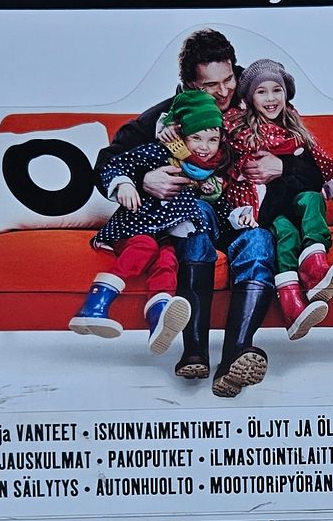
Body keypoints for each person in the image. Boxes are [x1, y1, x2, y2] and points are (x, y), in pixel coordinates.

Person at [93, 29, 278, 394]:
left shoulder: (260, 99)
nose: (224, 92)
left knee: (259, 241)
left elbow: (312, 158)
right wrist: (144, 180)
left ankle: (235, 357)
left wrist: (284, 166)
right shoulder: (165, 117)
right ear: (190, 85)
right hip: (195, 218)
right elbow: (108, 162)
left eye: (229, 79)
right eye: (211, 85)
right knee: (195, 218)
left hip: (244, 214)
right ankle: (194, 352)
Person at [68, 89, 227, 353]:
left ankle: (159, 318)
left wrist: (232, 213)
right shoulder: (157, 152)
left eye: (212, 140)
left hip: (165, 232)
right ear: (181, 135)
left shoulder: (206, 170)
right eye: (196, 138)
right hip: (134, 226)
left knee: (167, 259)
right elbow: (115, 165)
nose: (204, 147)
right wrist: (124, 185)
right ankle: (93, 306)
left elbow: (215, 206)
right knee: (145, 247)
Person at [223, 60, 333, 339]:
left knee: (312, 199)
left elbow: (319, 161)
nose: (271, 98)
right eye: (262, 92)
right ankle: (291, 305)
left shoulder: (295, 127)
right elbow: (229, 160)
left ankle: (315, 266)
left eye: (277, 90)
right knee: (285, 233)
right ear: (249, 98)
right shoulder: (241, 129)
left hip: (294, 197)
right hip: (267, 207)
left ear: (286, 94)